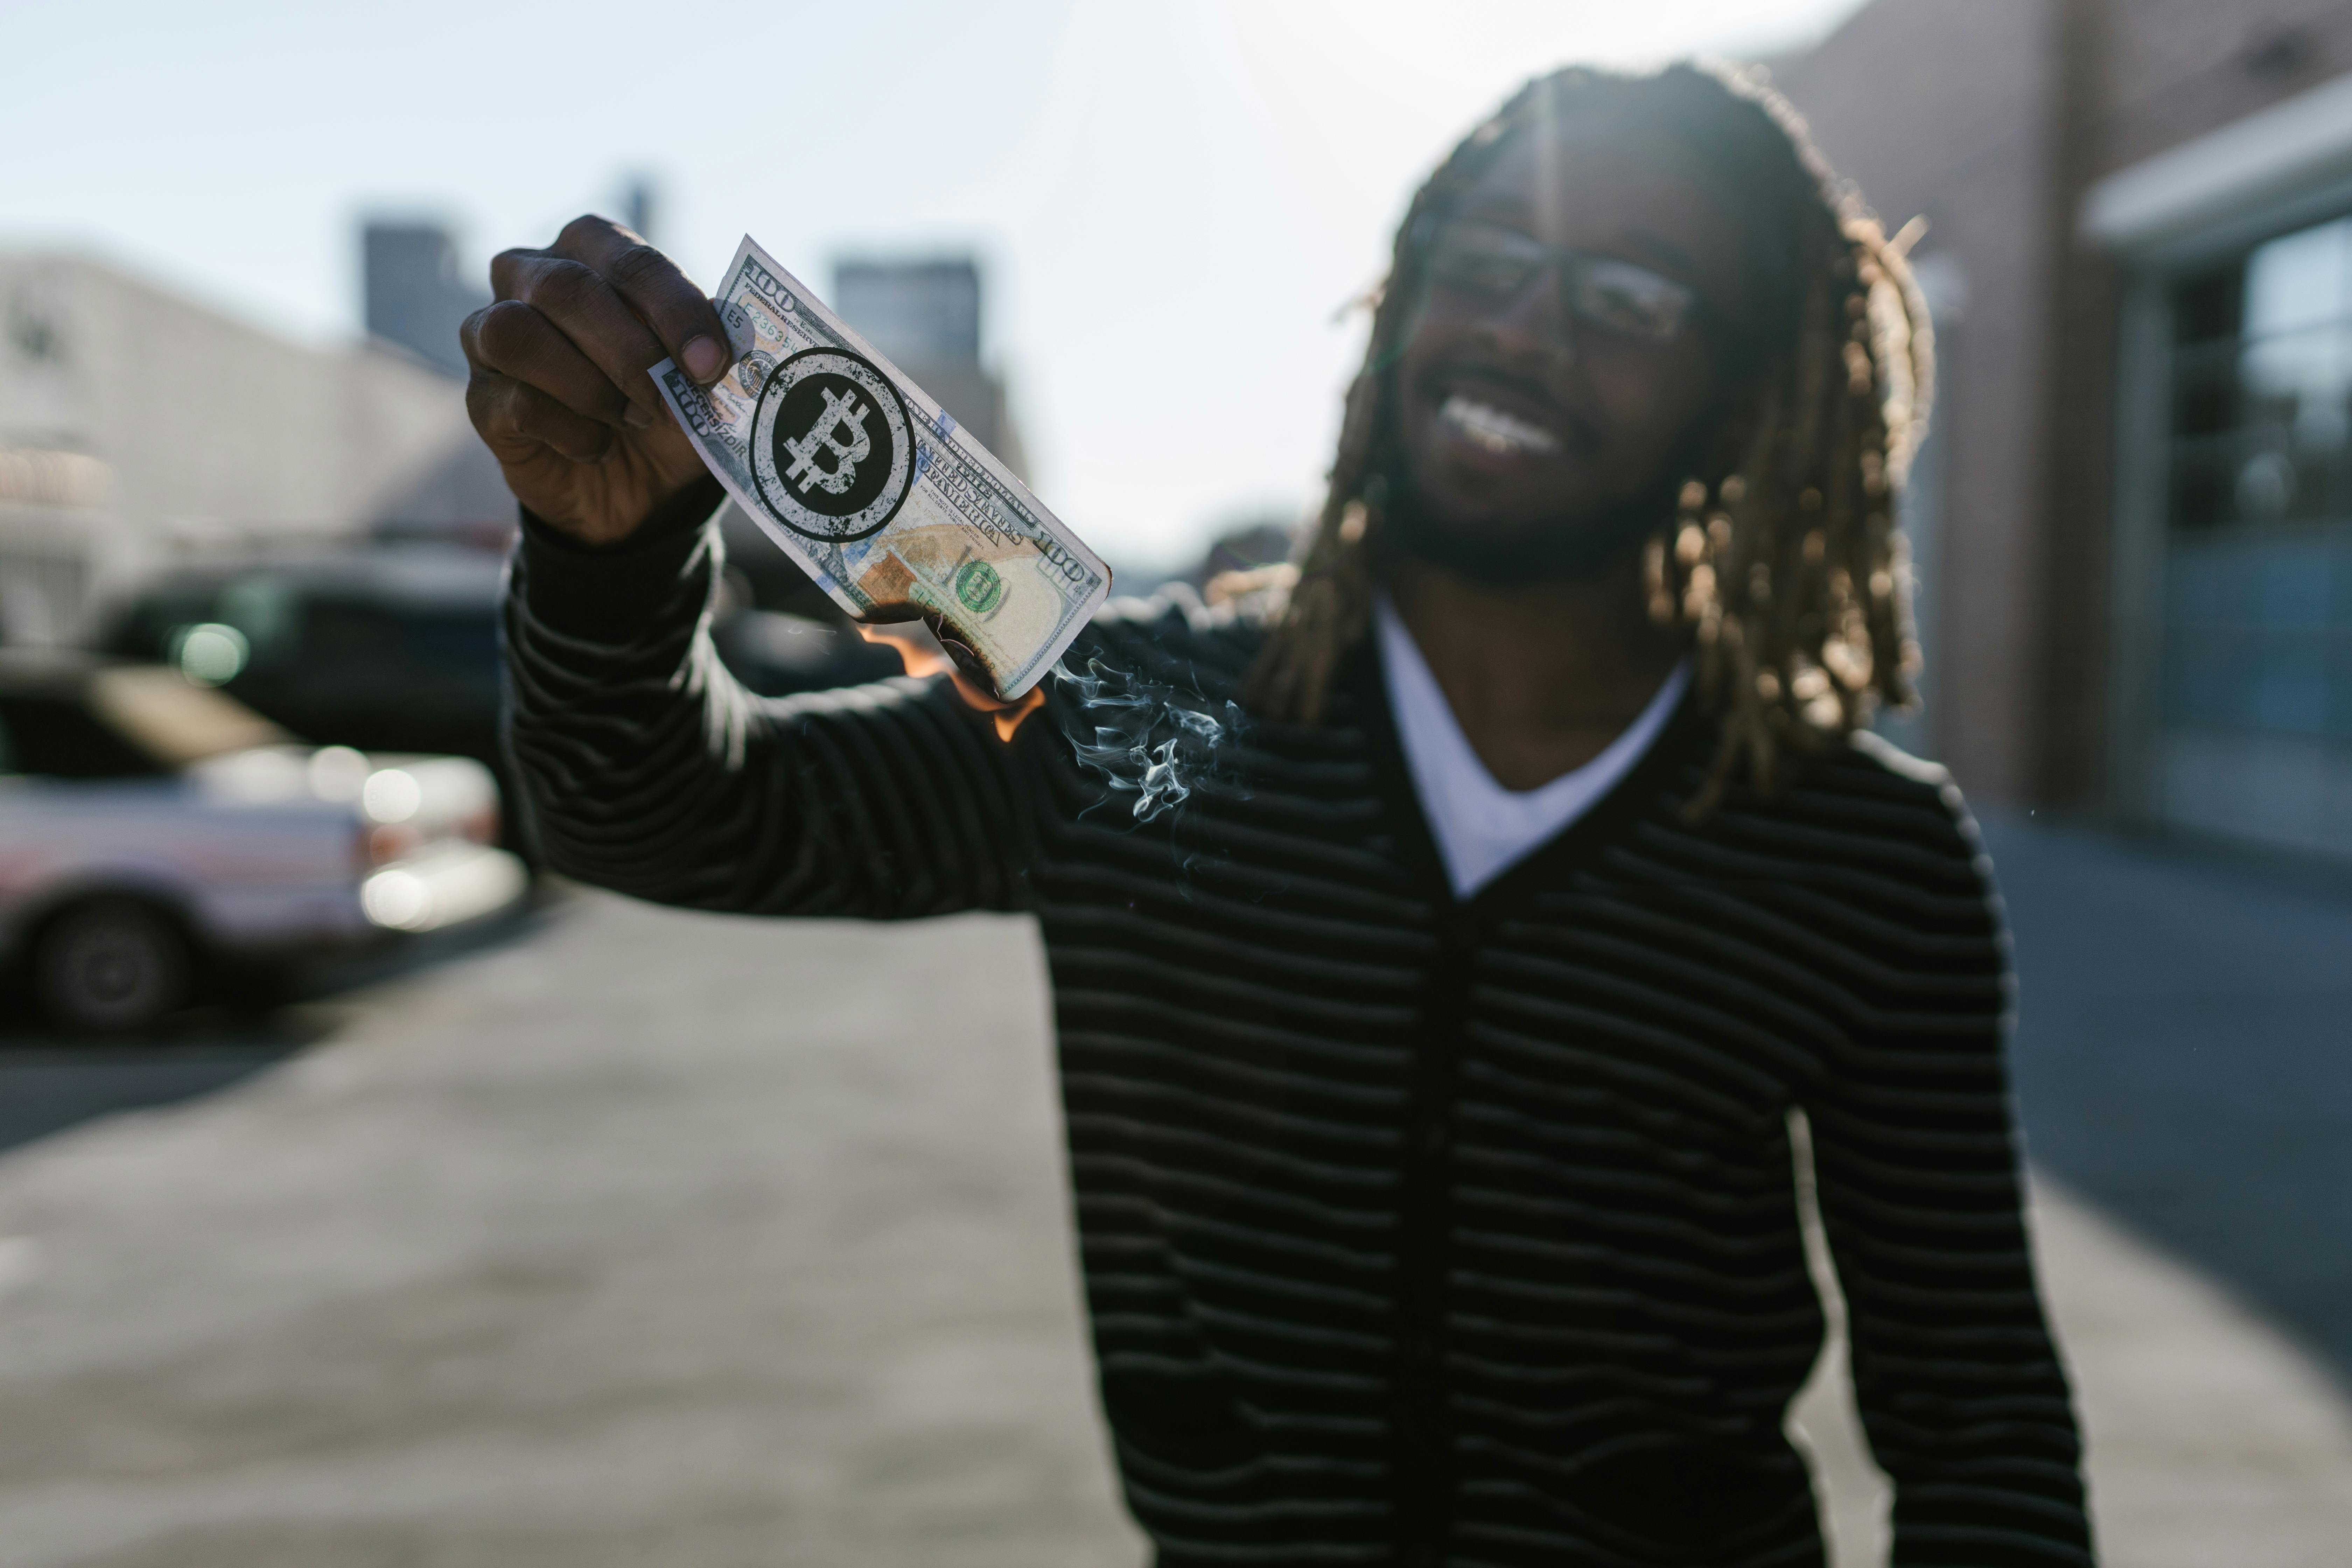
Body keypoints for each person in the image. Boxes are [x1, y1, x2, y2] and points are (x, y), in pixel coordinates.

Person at [465, 62, 2093, 1568]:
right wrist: (610, 569)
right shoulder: (1150, 725)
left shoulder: (1853, 849)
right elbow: (667, 815)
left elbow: (1979, 1418)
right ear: (1399, 299)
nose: (1523, 328)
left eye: (1625, 295)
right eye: (1483, 257)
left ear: (1746, 387)